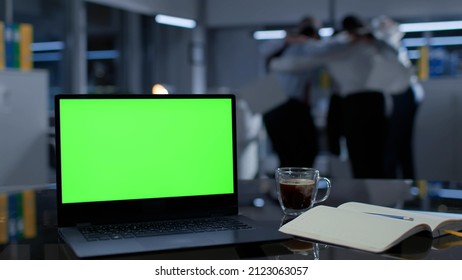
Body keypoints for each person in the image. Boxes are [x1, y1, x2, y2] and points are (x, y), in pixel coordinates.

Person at [270, 15, 412, 178]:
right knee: (377, 156)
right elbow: (395, 54)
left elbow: (301, 61)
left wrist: (278, 59)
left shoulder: (340, 46)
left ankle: (366, 196)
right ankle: (376, 197)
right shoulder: (371, 43)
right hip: (376, 103)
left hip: (357, 104)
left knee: (361, 157)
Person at [263, 16, 325, 168]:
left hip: (295, 107)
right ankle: (291, 190)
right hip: (282, 106)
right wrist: (289, 40)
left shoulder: (312, 49)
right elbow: (265, 51)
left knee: (304, 154)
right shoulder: (286, 48)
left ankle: (297, 189)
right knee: (291, 156)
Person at [371, 15, 424, 179]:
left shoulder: (389, 42)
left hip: (403, 94)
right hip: (402, 94)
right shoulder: (386, 42)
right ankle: (401, 183)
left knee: (396, 144)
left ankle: (398, 184)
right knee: (398, 144)